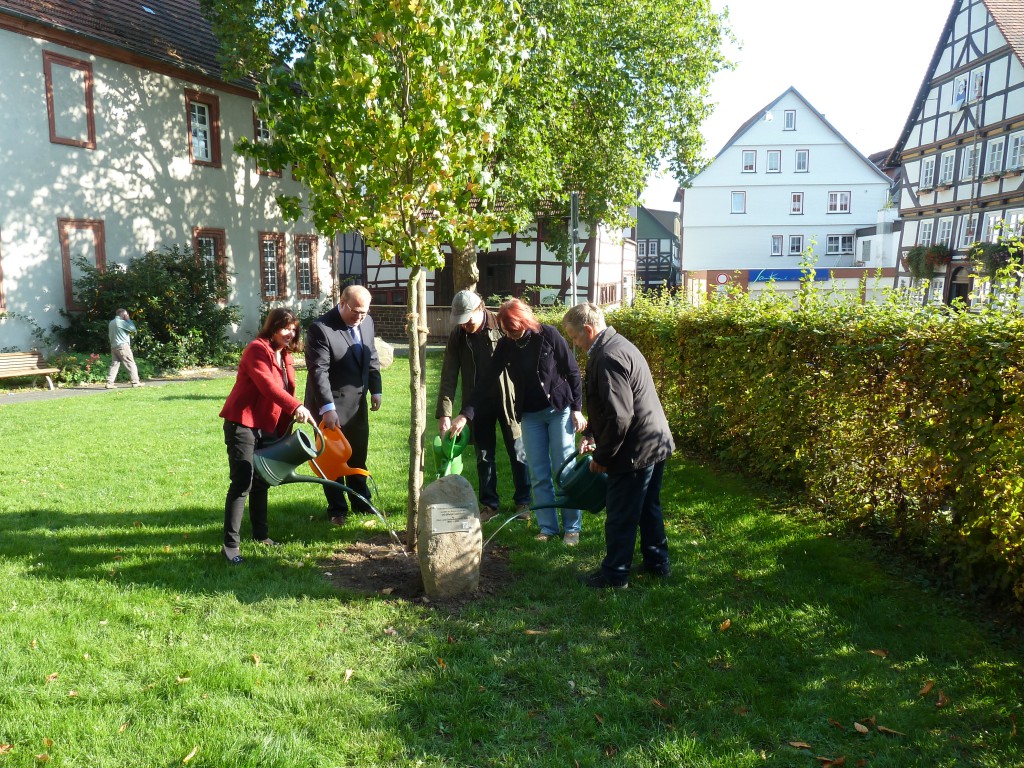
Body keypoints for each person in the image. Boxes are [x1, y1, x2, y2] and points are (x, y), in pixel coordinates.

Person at [451, 298, 586, 545]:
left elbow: (573, 371)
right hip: (530, 415)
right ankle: (548, 527)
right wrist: (465, 413)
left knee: (563, 470)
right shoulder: (506, 345)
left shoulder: (549, 335)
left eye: (513, 329)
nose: (510, 335)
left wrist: (577, 409)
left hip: (559, 410)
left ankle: (572, 528)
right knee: (538, 473)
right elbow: (485, 380)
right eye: (506, 330)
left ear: (524, 321)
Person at [562, 302, 675, 589]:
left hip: (635, 448)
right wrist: (593, 436)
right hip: (654, 441)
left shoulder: (608, 356)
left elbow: (620, 416)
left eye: (575, 338)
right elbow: (614, 409)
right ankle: (657, 564)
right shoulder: (620, 343)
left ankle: (615, 575)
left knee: (620, 514)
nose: (575, 344)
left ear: (588, 330)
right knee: (649, 507)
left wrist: (603, 455)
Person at [219, 308, 315, 564]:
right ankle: (230, 547)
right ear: (272, 327)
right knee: (243, 481)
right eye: (285, 327)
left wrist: (288, 424)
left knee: (261, 481)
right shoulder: (256, 350)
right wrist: (295, 406)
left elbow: (287, 389)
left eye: (294, 329)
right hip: (242, 422)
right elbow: (268, 386)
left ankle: (261, 535)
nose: (290, 333)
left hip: (268, 426)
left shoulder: (286, 356)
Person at [436, 290, 532, 522]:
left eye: (468, 319)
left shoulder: (502, 325)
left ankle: (523, 503)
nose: (465, 325)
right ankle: (489, 504)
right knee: (484, 454)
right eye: (461, 320)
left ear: (480, 308)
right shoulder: (458, 335)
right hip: (476, 403)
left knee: (518, 450)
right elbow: (449, 374)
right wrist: (444, 413)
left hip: (508, 399)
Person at [304, 285, 382, 524]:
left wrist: (375, 389)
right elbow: (319, 372)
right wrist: (327, 409)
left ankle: (361, 502)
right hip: (331, 405)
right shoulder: (321, 328)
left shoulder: (366, 323)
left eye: (364, 312)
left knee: (358, 455)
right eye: (356, 311)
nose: (360, 317)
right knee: (332, 460)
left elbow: (372, 355)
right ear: (343, 302)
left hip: (357, 406)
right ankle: (337, 509)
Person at [106, 308, 143, 388]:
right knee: (130, 363)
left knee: (114, 365)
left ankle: (109, 383)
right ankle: (135, 382)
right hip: (123, 346)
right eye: (126, 314)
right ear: (123, 314)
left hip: (114, 347)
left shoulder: (111, 322)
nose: (127, 316)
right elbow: (133, 329)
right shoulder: (121, 322)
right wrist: (128, 320)